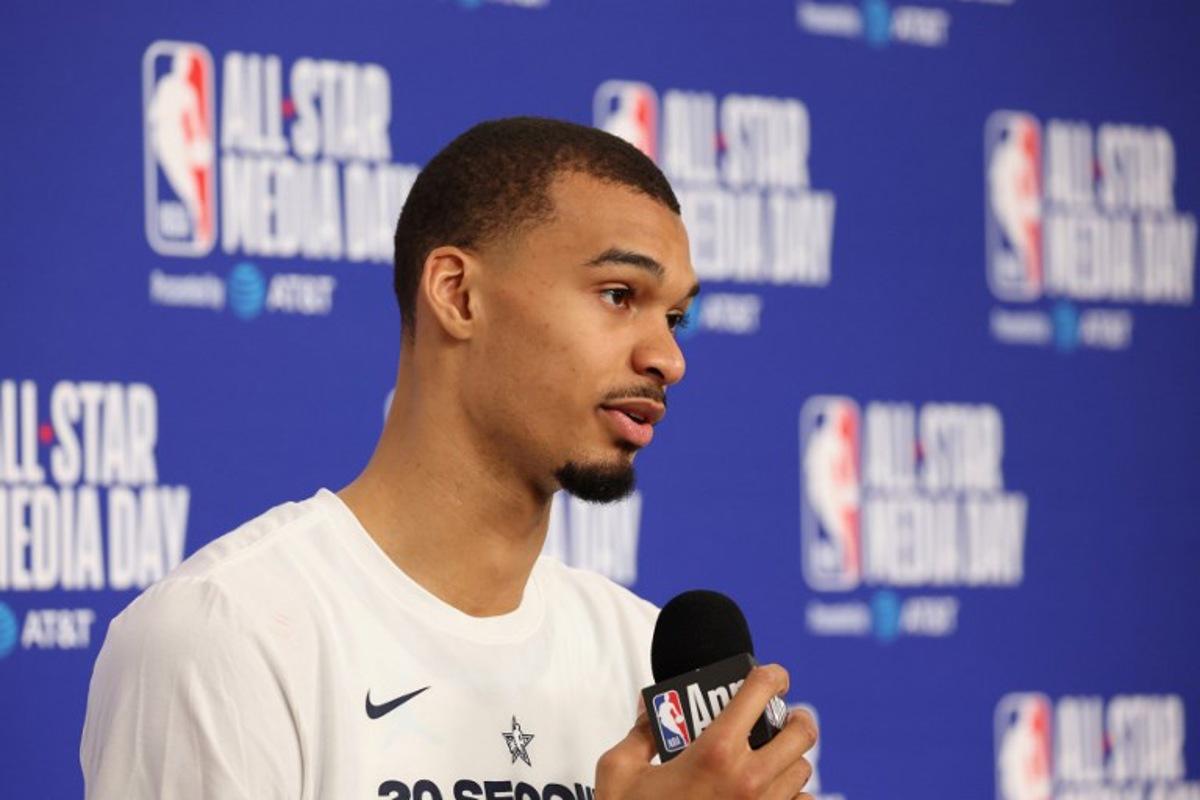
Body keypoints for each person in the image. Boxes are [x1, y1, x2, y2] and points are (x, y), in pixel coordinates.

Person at [81, 117, 818, 799]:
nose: (668, 358)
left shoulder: (640, 656)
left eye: (677, 316)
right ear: (458, 294)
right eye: (619, 294)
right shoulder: (225, 636)